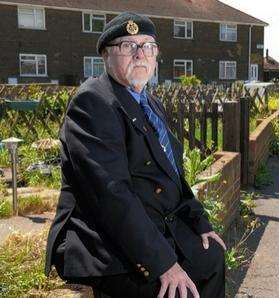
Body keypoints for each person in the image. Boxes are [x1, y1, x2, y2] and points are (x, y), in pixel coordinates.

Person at [44, 12, 226, 298]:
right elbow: (111, 195)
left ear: (156, 57)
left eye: (148, 46)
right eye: (128, 46)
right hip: (105, 239)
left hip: (154, 223)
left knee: (212, 257)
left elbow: (174, 174)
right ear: (106, 55)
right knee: (179, 292)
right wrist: (165, 263)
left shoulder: (149, 102)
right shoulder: (93, 101)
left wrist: (199, 221)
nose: (141, 54)